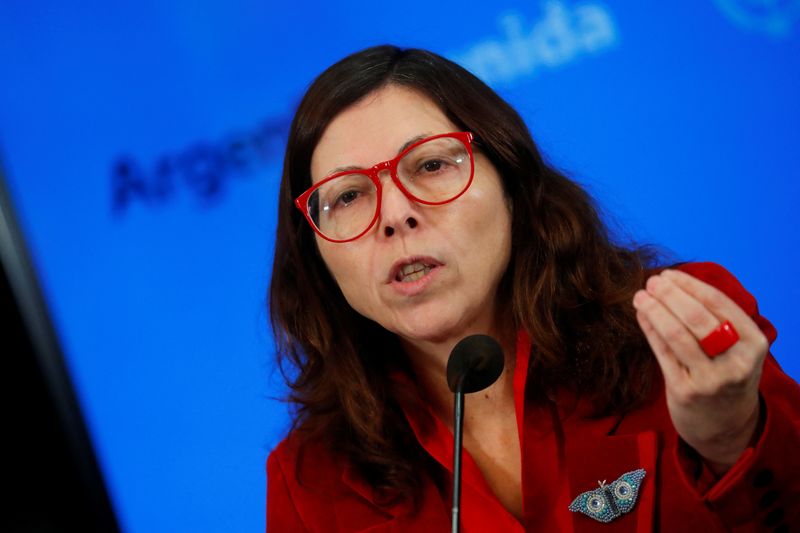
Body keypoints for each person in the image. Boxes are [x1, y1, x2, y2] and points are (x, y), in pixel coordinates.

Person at [266, 45, 800, 531]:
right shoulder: (310, 481)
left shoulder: (676, 330)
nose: (396, 214)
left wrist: (733, 438)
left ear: (513, 185)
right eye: (349, 196)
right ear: (315, 254)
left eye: (430, 164)